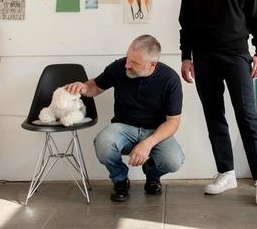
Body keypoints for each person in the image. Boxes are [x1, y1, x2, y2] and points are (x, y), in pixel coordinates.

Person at [178, 0, 257, 205]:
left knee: (248, 117)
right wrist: (186, 56)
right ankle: (226, 173)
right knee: (214, 116)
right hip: (204, 58)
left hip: (236, 55)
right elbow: (187, 23)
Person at [64, 34, 184, 202]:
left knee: (174, 161)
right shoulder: (119, 67)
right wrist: (83, 87)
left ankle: (152, 174)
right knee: (103, 143)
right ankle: (120, 180)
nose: (127, 64)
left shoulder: (170, 79)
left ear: (152, 64)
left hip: (154, 131)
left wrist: (147, 144)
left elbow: (173, 122)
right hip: (123, 126)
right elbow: (96, 86)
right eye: (128, 58)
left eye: (134, 63)